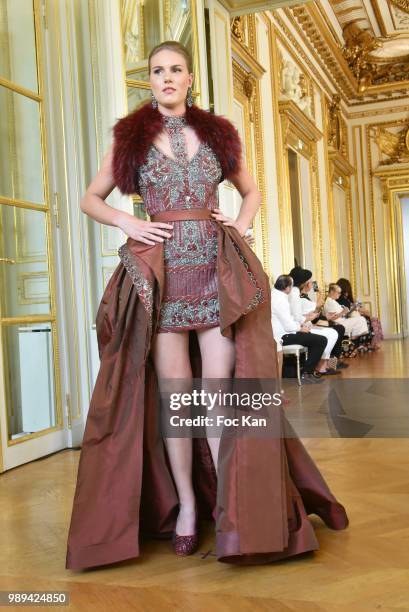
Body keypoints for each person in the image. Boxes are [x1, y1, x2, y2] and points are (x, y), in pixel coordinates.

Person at [65, 41, 348, 571]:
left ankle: (229, 507)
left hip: (214, 277)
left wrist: (236, 232)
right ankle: (190, 510)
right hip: (161, 276)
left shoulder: (217, 133)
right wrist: (128, 222)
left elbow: (252, 192)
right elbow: (89, 198)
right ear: (147, 79)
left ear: (190, 78)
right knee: (176, 403)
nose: (166, 78)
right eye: (157, 71)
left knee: (219, 399)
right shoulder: (131, 136)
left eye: (175, 70)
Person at [271, 275, 327, 383]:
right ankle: (306, 373)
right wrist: (300, 328)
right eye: (291, 287)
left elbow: (288, 319)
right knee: (321, 340)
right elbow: (288, 325)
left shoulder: (275, 295)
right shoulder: (280, 300)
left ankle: (305, 371)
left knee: (313, 337)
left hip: (282, 332)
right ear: (287, 288)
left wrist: (300, 325)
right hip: (283, 335)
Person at [288, 267, 340, 375]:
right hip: (296, 328)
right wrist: (308, 318)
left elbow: (300, 315)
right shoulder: (296, 296)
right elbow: (298, 317)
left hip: (301, 325)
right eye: (310, 282)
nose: (312, 284)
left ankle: (323, 365)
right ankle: (318, 367)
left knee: (333, 332)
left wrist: (309, 317)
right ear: (305, 284)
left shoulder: (296, 294)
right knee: (327, 336)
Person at [336, 277, 383, 350]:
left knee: (373, 319)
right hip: (347, 318)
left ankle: (371, 343)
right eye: (346, 290)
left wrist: (358, 308)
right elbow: (345, 312)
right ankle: (365, 344)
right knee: (366, 320)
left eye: (348, 290)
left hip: (354, 316)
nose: (347, 293)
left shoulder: (349, 299)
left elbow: (363, 309)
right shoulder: (339, 299)